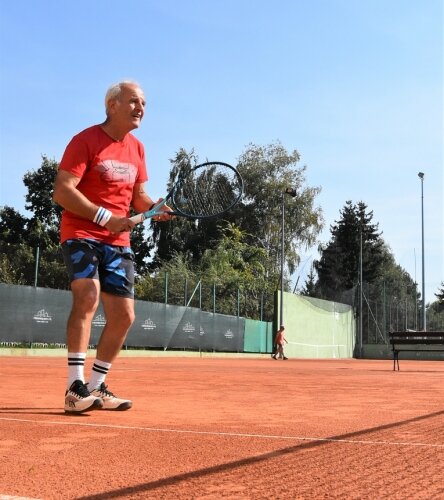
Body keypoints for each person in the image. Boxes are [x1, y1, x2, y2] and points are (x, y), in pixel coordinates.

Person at [53, 80, 172, 414]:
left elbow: (139, 198)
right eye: (133, 101)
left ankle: (95, 387)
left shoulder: (137, 148)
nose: (141, 108)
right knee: (87, 296)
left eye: (145, 103)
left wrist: (155, 207)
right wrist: (104, 217)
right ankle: (74, 388)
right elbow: (62, 191)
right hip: (81, 232)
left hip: (118, 242)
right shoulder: (85, 140)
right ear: (112, 105)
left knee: (124, 316)